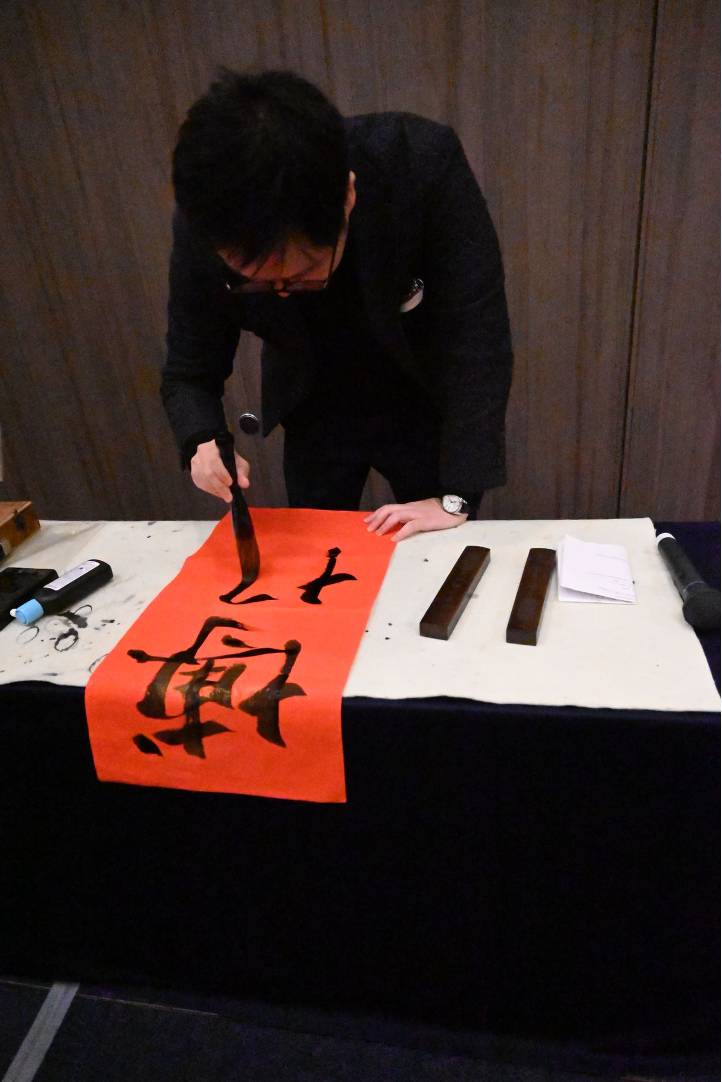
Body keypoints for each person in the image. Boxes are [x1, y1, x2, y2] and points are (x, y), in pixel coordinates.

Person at [162, 68, 513, 542]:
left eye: (303, 275)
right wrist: (201, 438)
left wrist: (458, 496)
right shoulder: (208, 220)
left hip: (420, 389)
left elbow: (477, 336)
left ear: (347, 195)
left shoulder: (420, 164)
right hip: (312, 399)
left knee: (438, 548)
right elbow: (189, 366)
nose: (282, 291)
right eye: (257, 281)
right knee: (317, 552)